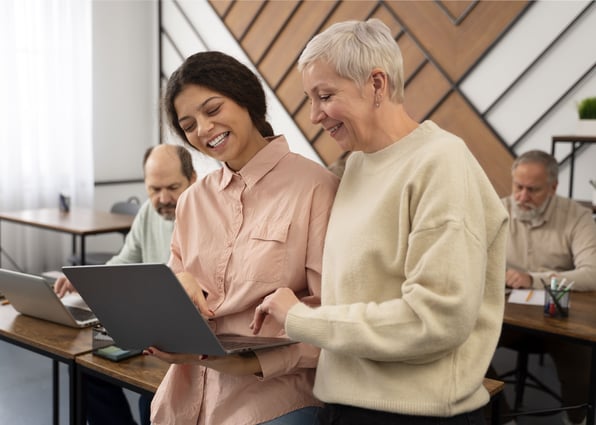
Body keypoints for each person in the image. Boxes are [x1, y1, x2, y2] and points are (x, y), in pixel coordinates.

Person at [250, 18, 509, 425]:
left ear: (376, 84)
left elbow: (435, 319)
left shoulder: (441, 162)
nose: (315, 115)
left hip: (412, 414)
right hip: (344, 404)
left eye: (325, 95)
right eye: (310, 99)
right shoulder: (357, 165)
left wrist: (302, 319)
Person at [145, 51, 339, 425]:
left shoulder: (316, 189)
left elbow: (330, 318)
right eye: (188, 125)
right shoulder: (192, 201)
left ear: (247, 99)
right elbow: (172, 292)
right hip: (186, 392)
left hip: (275, 394)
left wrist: (244, 362)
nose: (203, 129)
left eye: (213, 109)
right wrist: (180, 282)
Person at [55, 144, 197, 425]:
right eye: (154, 189)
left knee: (153, 397)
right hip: (146, 325)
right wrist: (85, 281)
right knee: (85, 371)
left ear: (192, 179)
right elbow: (122, 263)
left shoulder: (207, 213)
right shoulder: (148, 212)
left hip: (186, 335)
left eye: (172, 187)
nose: (163, 198)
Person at [500, 149, 596, 425]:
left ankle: (577, 418)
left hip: (559, 319)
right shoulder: (495, 210)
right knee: (463, 342)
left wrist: (532, 279)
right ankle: (501, 416)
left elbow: (592, 274)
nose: (522, 197)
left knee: (583, 355)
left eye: (533, 190)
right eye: (518, 186)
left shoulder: (577, 217)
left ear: (553, 188)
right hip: (506, 316)